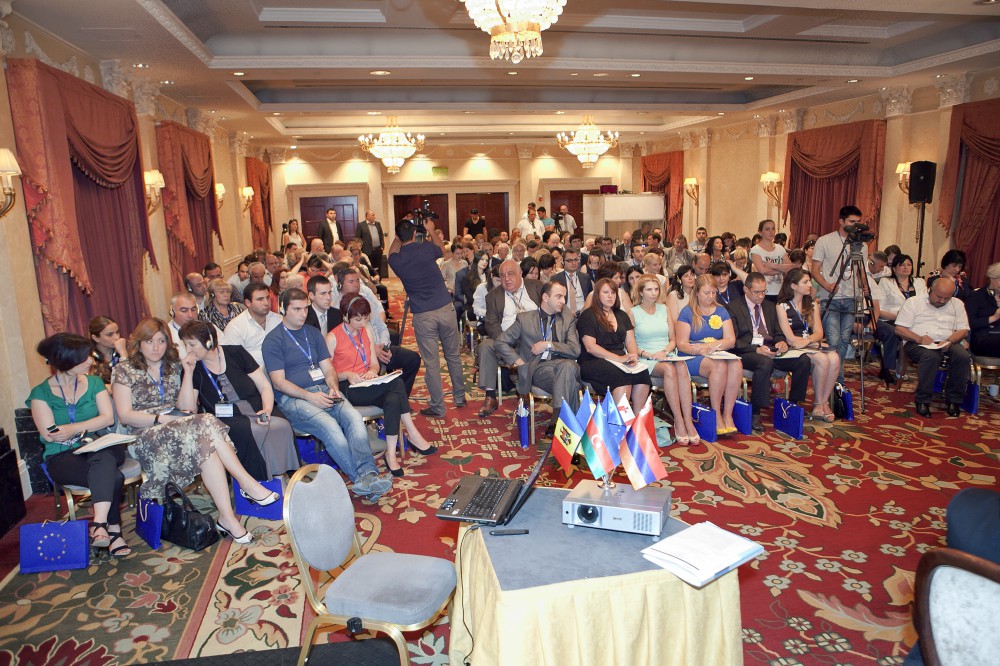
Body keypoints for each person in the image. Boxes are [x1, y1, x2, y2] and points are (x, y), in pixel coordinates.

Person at [112, 318, 279, 546]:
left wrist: (189, 372)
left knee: (207, 450)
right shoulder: (124, 370)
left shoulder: (174, 366)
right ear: (139, 343)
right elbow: (124, 415)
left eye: (161, 341)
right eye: (149, 341)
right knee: (207, 422)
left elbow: (187, 408)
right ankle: (246, 483)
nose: (156, 347)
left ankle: (228, 518)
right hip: (145, 434)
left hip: (180, 429)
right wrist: (159, 418)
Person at [261, 288, 393, 497]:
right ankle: (364, 479)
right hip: (294, 399)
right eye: (297, 309)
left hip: (324, 390)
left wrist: (333, 386)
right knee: (331, 428)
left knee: (354, 419)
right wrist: (310, 396)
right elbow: (278, 383)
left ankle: (368, 475)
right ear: (283, 309)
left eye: (305, 308)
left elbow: (328, 368)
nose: (303, 314)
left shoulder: (313, 333)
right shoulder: (273, 340)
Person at [30, 333, 130, 556]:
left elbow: (107, 419)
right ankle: (113, 531)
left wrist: (72, 429)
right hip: (62, 456)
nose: (90, 361)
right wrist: (70, 431)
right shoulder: (41, 393)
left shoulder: (94, 383)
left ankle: (99, 523)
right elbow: (50, 435)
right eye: (84, 357)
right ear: (67, 360)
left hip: (98, 444)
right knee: (114, 477)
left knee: (103, 455)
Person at [326, 295, 438, 476]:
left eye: (365, 318)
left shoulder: (367, 332)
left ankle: (391, 454)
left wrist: (372, 371)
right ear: (346, 316)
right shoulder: (333, 337)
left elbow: (374, 364)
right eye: (358, 319)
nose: (363, 323)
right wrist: (347, 374)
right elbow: (327, 373)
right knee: (397, 382)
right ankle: (413, 433)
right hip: (347, 387)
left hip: (368, 383)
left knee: (393, 399)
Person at [177, 321, 299, 481]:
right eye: (185, 345)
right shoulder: (194, 369)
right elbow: (187, 408)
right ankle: (264, 481)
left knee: (282, 425)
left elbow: (264, 386)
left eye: (192, 344)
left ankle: (282, 476)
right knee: (250, 432)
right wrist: (188, 373)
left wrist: (267, 409)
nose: (188, 350)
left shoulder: (236, 353)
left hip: (258, 407)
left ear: (209, 341)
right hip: (227, 418)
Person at [388, 218, 467, 418]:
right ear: (415, 233)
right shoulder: (425, 248)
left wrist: (398, 236)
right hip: (445, 308)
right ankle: (460, 397)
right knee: (453, 356)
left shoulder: (397, 260)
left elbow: (391, 252)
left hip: (423, 315)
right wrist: (431, 230)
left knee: (432, 362)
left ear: (397, 236)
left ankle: (438, 407)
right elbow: (441, 249)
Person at [494, 281, 582, 443]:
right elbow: (500, 342)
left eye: (564, 297)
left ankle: (557, 421)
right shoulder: (525, 319)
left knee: (567, 368)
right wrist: (518, 361)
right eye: (559, 296)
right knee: (571, 383)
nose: (563, 301)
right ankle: (571, 428)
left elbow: (575, 350)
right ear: (545, 297)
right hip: (539, 369)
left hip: (565, 366)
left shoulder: (567, 318)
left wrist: (548, 345)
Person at [728, 273, 812, 433]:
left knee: (803, 360)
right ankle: (756, 412)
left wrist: (781, 342)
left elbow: (778, 333)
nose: (761, 296)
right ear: (746, 289)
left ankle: (793, 405)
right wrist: (756, 349)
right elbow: (734, 341)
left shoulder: (769, 306)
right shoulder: (733, 308)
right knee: (764, 362)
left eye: (764, 292)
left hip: (772, 350)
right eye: (756, 292)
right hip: (748, 351)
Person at [630, 275, 698, 444]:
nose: (653, 293)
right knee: (669, 369)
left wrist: (665, 351)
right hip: (646, 357)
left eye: (656, 289)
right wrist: (647, 354)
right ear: (641, 292)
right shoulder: (633, 312)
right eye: (649, 290)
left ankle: (688, 420)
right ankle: (678, 420)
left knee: (681, 365)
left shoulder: (664, 309)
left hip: (666, 353)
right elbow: (629, 343)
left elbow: (673, 339)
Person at [675, 274, 743, 435]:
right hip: (692, 356)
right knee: (718, 366)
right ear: (697, 292)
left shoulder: (721, 311)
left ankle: (727, 414)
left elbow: (730, 340)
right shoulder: (687, 312)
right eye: (706, 293)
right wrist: (701, 350)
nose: (710, 296)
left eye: (713, 292)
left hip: (715, 353)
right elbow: (682, 344)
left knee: (736, 364)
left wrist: (709, 346)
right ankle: (716, 414)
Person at [895, 276, 971, 418]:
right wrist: (919, 338)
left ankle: (954, 400)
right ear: (930, 290)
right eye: (939, 297)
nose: (942, 301)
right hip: (916, 342)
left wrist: (949, 340)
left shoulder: (957, 304)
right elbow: (899, 329)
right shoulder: (914, 302)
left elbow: (963, 330)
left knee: (962, 356)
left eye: (946, 298)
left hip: (948, 341)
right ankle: (922, 400)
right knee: (931, 357)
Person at [477, 260, 543, 417]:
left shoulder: (537, 287)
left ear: (520, 273)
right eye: (502, 275)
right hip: (508, 340)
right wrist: (504, 344)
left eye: (511, 274)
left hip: (535, 339)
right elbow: (491, 324)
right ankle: (490, 397)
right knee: (485, 345)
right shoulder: (493, 296)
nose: (506, 279)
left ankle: (527, 389)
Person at [776, 269, 844, 422]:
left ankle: (823, 402)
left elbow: (819, 332)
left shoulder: (812, 304)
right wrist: (811, 342)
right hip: (792, 348)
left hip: (809, 344)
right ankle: (818, 403)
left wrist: (808, 341)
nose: (810, 285)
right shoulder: (782, 306)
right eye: (805, 282)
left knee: (834, 357)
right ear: (793, 286)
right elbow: (791, 339)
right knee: (822, 359)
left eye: (809, 282)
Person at [577, 278, 651, 414]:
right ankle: (618, 421)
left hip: (619, 359)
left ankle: (637, 419)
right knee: (622, 376)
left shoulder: (621, 315)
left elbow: (630, 341)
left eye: (613, 292)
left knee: (642, 373)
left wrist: (633, 356)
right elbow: (590, 347)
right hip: (593, 360)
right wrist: (619, 358)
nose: (610, 296)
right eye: (606, 292)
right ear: (597, 295)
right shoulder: (588, 315)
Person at [812, 205, 868, 382]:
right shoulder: (825, 241)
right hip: (831, 298)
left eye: (858, 222)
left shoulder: (861, 245)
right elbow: (815, 270)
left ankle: (837, 376)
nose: (855, 226)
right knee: (834, 340)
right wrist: (827, 285)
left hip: (851, 297)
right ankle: (833, 377)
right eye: (851, 222)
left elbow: (861, 271)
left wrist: (865, 287)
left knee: (844, 340)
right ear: (841, 221)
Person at [876, 254, 926, 384]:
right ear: (894, 268)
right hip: (892, 318)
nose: (906, 267)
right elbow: (879, 310)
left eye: (909, 264)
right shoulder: (886, 282)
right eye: (902, 265)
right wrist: (900, 317)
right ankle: (888, 368)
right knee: (897, 332)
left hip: (916, 320)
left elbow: (926, 304)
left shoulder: (919, 282)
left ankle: (915, 365)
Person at [220, 282, 284, 370]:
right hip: (253, 374)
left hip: (282, 369)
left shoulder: (279, 320)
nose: (266, 303)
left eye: (268, 298)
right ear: (248, 303)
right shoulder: (235, 327)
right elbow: (233, 363)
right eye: (260, 299)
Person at [751, 219, 795, 302]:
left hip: (780, 291)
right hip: (764, 292)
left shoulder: (780, 248)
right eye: (767, 229)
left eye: (773, 229)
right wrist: (782, 269)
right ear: (760, 232)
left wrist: (773, 266)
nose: (771, 232)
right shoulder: (756, 250)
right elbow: (763, 270)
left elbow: (790, 267)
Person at [965, 261, 1000, 357]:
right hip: (983, 339)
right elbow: (970, 323)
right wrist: (994, 317)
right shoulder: (975, 297)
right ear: (991, 278)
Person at [89, 316, 128, 384]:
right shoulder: (88, 359)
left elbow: (132, 377)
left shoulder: (125, 349)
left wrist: (123, 353)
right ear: (95, 338)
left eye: (117, 332)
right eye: (109, 334)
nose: (117, 337)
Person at [168, 292, 200, 358]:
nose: (190, 315)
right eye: (184, 310)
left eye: (193, 309)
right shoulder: (166, 334)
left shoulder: (207, 328)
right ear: (172, 312)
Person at [357, 209, 385, 277]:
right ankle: (371, 280)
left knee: (378, 267)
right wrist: (361, 249)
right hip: (367, 251)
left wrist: (382, 246)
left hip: (378, 250)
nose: (374, 216)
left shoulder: (377, 224)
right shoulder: (361, 225)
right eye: (373, 215)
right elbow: (357, 238)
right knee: (370, 267)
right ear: (367, 216)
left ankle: (379, 280)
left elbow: (381, 235)